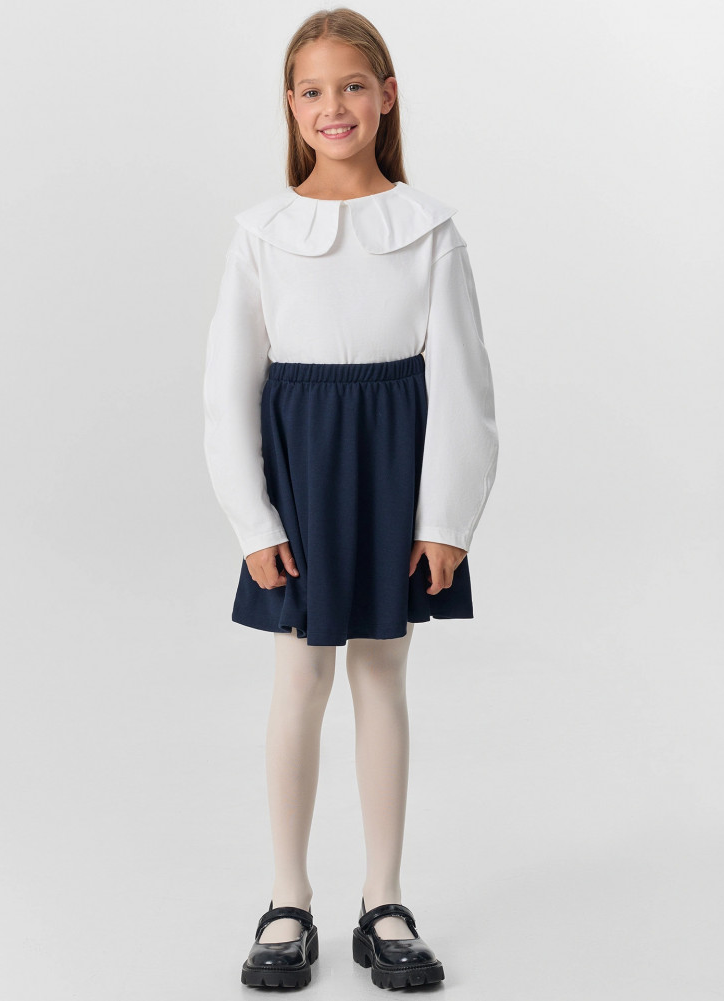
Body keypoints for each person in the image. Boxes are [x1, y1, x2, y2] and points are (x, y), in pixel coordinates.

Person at [202, 8, 499, 991]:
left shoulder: (429, 231)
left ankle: (384, 898)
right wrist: (254, 521)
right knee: (300, 677)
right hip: (301, 476)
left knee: (382, 674)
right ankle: (288, 897)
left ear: (387, 96)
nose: (335, 106)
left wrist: (444, 519)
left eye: (353, 86)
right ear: (292, 106)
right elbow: (228, 391)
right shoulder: (261, 234)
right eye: (314, 90)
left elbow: (463, 385)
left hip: (394, 472)